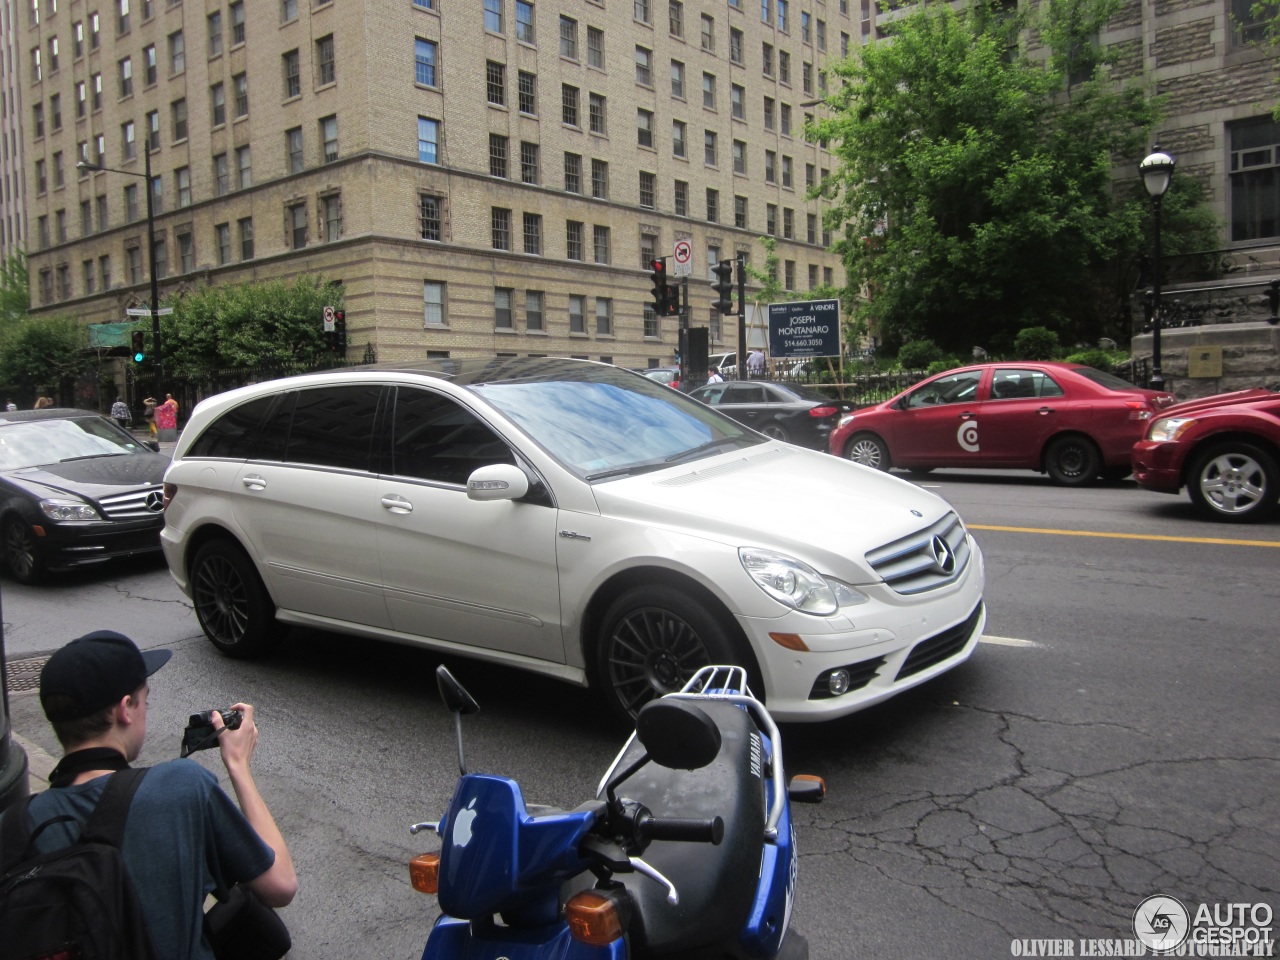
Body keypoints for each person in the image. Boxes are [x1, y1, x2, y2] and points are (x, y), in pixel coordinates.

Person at [18, 630, 297, 959]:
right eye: (144, 700)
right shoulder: (181, 786)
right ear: (125, 710)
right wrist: (238, 765)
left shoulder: (15, 825)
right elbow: (280, 885)